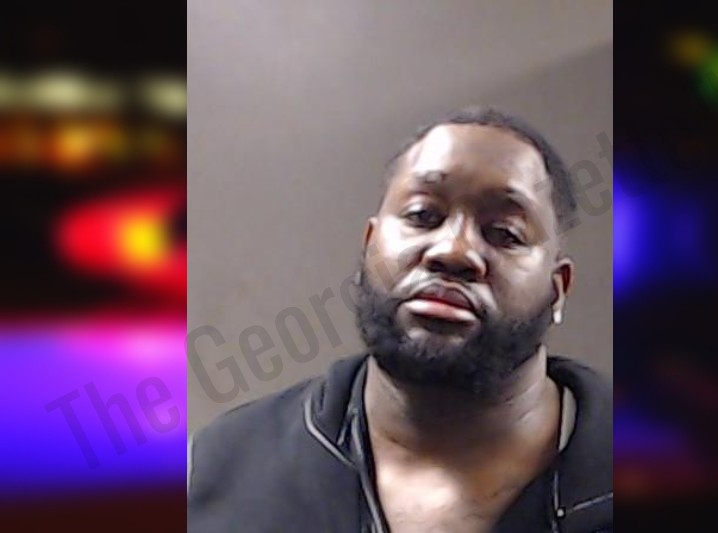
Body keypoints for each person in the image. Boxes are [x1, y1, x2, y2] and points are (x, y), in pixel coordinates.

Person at [187, 106, 612, 532]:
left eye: (504, 233)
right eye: (423, 215)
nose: (454, 251)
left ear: (557, 289)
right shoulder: (221, 469)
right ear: (369, 246)